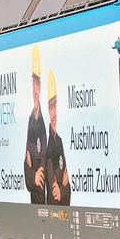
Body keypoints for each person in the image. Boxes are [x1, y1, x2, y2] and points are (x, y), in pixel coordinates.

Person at [23, 45, 47, 203]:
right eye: (33, 82)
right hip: (36, 198)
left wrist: (40, 169)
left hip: (45, 195)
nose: (34, 88)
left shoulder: (44, 122)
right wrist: (33, 175)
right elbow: (27, 160)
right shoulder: (31, 119)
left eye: (37, 83)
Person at [44, 69, 70, 205]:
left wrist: (63, 190)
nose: (53, 114)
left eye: (55, 106)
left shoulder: (59, 141)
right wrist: (61, 189)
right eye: (50, 108)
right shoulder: (48, 146)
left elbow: (67, 185)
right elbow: (54, 191)